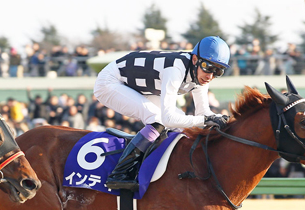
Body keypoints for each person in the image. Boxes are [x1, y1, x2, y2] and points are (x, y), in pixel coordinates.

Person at [93, 35, 230, 191]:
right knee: (158, 119)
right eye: (208, 67)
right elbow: (169, 118)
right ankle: (119, 173)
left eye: (218, 71)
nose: (210, 75)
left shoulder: (200, 75)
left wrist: (222, 119)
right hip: (110, 82)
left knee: (181, 124)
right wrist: (205, 120)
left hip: (136, 86)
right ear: (194, 60)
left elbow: (203, 112)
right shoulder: (175, 69)